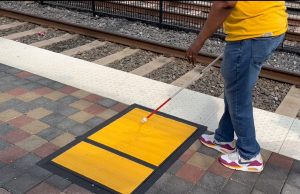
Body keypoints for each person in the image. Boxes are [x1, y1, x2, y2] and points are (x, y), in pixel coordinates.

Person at [186, 1, 287, 172]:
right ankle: (224, 138)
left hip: (252, 33)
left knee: (238, 95)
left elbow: (224, 4)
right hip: (269, 26)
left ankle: (249, 155)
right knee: (235, 88)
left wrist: (198, 42)